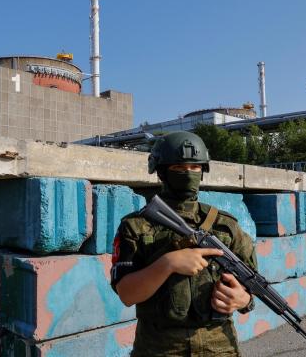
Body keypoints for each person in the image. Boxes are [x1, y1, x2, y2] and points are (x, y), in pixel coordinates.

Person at [110, 131, 258, 356]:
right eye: (178, 169)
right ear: (160, 172)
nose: (188, 174)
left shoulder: (225, 226)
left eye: (195, 168)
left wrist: (243, 299)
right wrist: (167, 264)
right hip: (159, 347)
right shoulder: (137, 226)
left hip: (219, 345)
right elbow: (127, 294)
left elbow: (251, 282)